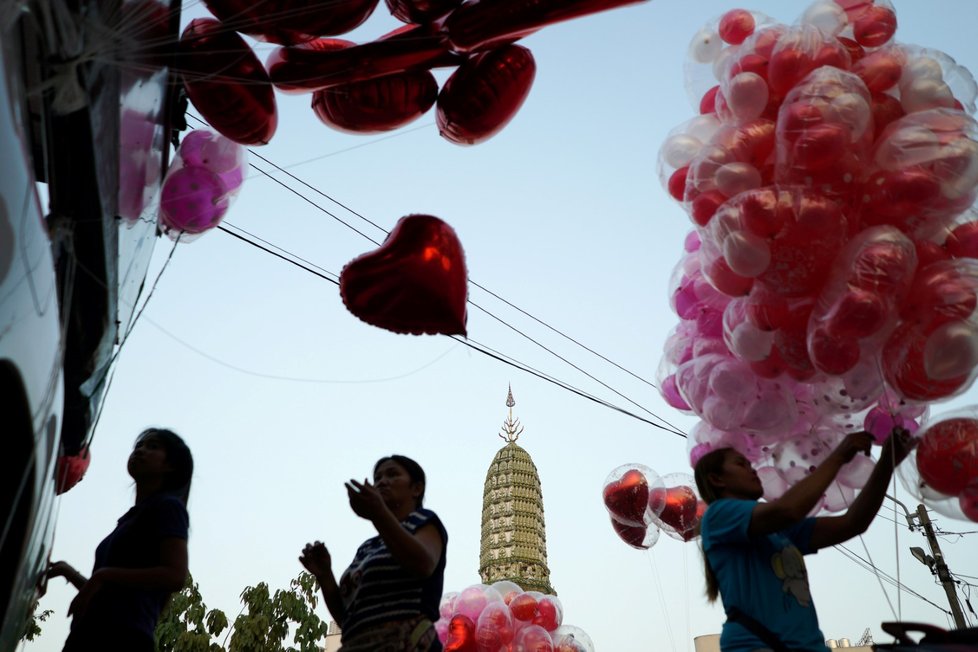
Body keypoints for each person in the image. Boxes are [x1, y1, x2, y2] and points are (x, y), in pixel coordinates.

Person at [694, 427, 915, 652]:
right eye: (741, 464)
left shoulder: (778, 529)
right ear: (716, 479)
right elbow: (788, 510)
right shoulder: (718, 514)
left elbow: (852, 523)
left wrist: (888, 462)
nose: (753, 471)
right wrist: (838, 456)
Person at [47, 428, 192, 651]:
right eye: (139, 446)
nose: (141, 450)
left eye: (152, 447)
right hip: (90, 635)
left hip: (122, 639)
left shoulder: (168, 508)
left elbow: (175, 575)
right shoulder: (130, 519)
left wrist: (103, 576)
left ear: (171, 465)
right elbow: (108, 597)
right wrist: (70, 572)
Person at [300, 455, 447, 651]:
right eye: (377, 478)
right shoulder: (367, 547)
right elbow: (349, 619)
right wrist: (325, 575)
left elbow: (423, 564)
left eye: (392, 474)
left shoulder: (423, 521)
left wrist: (378, 515)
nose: (382, 481)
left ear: (416, 488)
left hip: (405, 643)